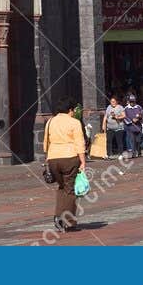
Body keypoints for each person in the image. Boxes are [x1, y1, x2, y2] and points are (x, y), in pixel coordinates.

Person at [43, 97, 87, 231]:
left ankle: (59, 216)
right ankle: (66, 219)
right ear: (70, 110)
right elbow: (80, 142)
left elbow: (46, 142)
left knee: (62, 187)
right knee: (70, 189)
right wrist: (83, 161)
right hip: (69, 157)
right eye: (73, 110)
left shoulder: (50, 121)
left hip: (53, 158)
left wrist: (48, 157)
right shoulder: (74, 122)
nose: (73, 112)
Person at [124, 93, 143, 159]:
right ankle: (133, 153)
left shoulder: (139, 107)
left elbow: (142, 115)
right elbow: (125, 117)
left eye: (133, 101)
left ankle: (139, 150)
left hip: (138, 126)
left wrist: (138, 118)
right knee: (132, 140)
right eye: (131, 101)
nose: (132, 103)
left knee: (138, 140)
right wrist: (131, 120)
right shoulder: (126, 108)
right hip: (131, 127)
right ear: (129, 101)